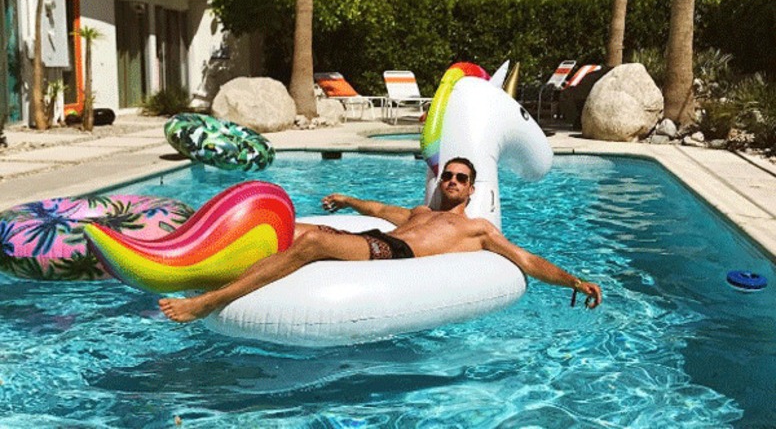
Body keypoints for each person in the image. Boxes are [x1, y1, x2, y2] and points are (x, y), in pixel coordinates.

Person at [159, 157, 602, 322]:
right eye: (446, 174)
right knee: (292, 231)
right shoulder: (422, 211)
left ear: (471, 189)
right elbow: (377, 211)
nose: (450, 180)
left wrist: (575, 281)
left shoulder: (478, 228)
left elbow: (526, 260)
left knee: (313, 246)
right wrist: (348, 198)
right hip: (376, 240)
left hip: (398, 255)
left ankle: (210, 300)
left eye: (460, 178)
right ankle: (190, 258)